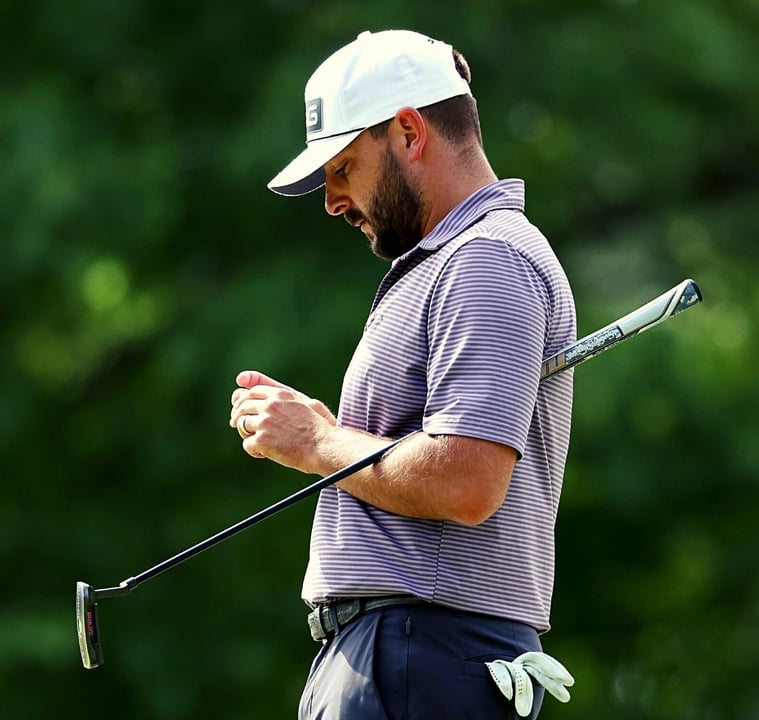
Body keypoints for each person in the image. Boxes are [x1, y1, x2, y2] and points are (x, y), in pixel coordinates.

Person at [228, 29, 577, 719]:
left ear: (409, 131)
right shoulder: (451, 260)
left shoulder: (486, 259)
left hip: (422, 652)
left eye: (343, 168)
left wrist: (316, 444)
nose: (331, 199)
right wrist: (324, 434)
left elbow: (467, 480)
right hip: (406, 653)